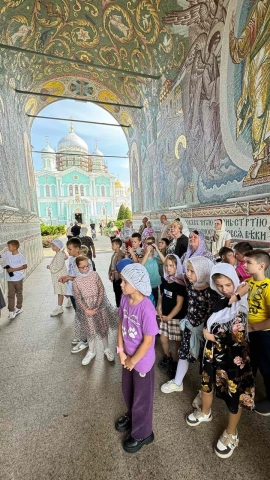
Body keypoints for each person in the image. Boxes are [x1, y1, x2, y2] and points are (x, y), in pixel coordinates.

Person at [186, 263, 254, 459]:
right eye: (219, 285)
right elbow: (217, 309)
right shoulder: (223, 300)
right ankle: (205, 412)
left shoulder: (240, 306)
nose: (223, 289)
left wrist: (211, 337)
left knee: (234, 395)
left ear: (234, 280)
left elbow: (238, 337)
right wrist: (232, 296)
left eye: (227, 284)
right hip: (212, 355)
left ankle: (232, 433)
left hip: (233, 360)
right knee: (206, 385)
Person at [115, 263, 159, 453]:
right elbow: (120, 324)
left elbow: (148, 341)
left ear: (137, 284)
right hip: (127, 358)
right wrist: (121, 351)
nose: (121, 284)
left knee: (142, 397)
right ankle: (133, 416)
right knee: (128, 390)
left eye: (125, 281)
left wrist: (133, 361)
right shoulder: (125, 299)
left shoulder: (147, 308)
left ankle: (143, 433)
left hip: (141, 362)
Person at [161, 256, 218, 393]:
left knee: (204, 361)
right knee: (183, 353)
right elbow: (176, 274)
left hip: (204, 332)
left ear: (203, 272)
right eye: (188, 270)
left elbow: (213, 315)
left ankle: (204, 391)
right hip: (189, 326)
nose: (188, 273)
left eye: (192, 271)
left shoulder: (211, 292)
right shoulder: (190, 284)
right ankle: (177, 382)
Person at [72, 256, 118, 365]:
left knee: (103, 328)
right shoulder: (76, 281)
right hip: (86, 309)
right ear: (77, 268)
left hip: (99, 305)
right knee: (90, 330)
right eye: (82, 267)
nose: (86, 269)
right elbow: (77, 297)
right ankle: (91, 351)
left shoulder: (94, 275)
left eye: (87, 266)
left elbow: (101, 288)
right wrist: (86, 309)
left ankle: (106, 349)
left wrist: (97, 305)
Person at [244, 249, 270, 416]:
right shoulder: (247, 282)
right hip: (247, 331)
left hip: (263, 334)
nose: (244, 265)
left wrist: (253, 327)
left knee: (267, 367)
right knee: (249, 363)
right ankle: (248, 392)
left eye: (248, 263)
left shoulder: (268, 287)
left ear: (261, 266)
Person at [157, 254, 188, 378]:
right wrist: (159, 306)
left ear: (177, 267)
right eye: (166, 265)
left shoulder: (180, 283)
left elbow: (179, 305)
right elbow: (162, 295)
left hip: (176, 317)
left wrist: (169, 317)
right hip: (164, 315)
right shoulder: (165, 280)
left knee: (177, 342)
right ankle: (168, 357)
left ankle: (176, 363)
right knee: (163, 338)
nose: (168, 268)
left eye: (171, 266)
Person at [0, 240, 27, 320]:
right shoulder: (8, 254)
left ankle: (19, 308)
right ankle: (11, 311)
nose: (7, 248)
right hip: (10, 279)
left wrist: (13, 269)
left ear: (15, 247)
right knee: (10, 294)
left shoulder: (20, 256)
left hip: (18, 278)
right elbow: (1, 256)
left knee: (19, 293)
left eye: (9, 246)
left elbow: (25, 266)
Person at [47, 239, 70, 316]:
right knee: (63, 290)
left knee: (60, 292)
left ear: (58, 247)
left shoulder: (59, 254)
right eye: (52, 245)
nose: (52, 247)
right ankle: (70, 299)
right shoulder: (60, 253)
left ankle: (59, 308)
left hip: (60, 277)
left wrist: (50, 267)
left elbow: (59, 266)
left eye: (53, 246)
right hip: (60, 276)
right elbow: (66, 257)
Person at [58, 237, 81, 315]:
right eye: (67, 249)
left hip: (79, 291)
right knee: (76, 309)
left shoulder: (81, 260)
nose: (68, 251)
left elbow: (82, 277)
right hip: (71, 289)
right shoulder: (71, 259)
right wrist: (66, 277)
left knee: (80, 310)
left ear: (77, 249)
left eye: (70, 249)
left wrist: (68, 278)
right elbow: (71, 272)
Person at [140, 238, 162, 307]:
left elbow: (164, 261)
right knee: (148, 303)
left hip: (155, 286)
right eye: (148, 248)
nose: (150, 249)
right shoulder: (143, 260)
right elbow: (141, 266)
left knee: (155, 301)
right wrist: (147, 252)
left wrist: (157, 250)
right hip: (146, 286)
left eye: (151, 248)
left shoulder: (156, 259)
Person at [108, 238, 125, 307]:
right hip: (114, 276)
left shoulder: (120, 255)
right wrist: (110, 273)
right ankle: (118, 305)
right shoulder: (115, 254)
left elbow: (120, 267)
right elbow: (111, 264)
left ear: (118, 245)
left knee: (119, 292)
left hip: (118, 277)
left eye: (113, 245)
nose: (112, 246)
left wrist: (115, 273)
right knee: (115, 291)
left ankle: (120, 306)